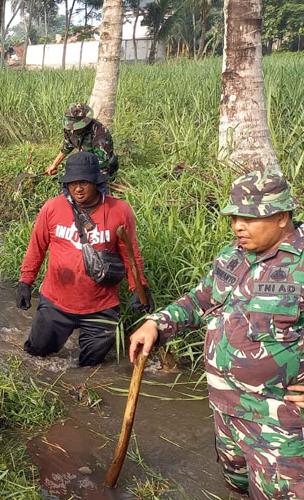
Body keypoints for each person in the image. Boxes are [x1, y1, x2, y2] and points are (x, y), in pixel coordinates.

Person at [129, 170, 304, 499]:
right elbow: (199, 301)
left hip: (281, 425)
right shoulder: (232, 256)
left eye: (250, 217)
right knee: (236, 489)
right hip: (226, 414)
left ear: (282, 217)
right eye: (235, 216)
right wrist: (156, 324)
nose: (238, 225)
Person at [17, 152, 152, 366]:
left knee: (92, 368)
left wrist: (139, 288)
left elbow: (130, 255)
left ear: (97, 183)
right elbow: (37, 247)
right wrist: (25, 282)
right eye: (72, 183)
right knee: (35, 358)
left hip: (101, 306)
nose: (78, 188)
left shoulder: (120, 210)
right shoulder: (52, 208)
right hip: (56, 303)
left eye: (84, 182)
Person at [45, 103, 118, 179]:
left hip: (101, 165)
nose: (73, 130)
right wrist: (54, 165)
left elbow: (103, 161)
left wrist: (78, 170)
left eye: (76, 126)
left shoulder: (99, 133)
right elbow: (67, 146)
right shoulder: (70, 129)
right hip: (85, 159)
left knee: (89, 183)